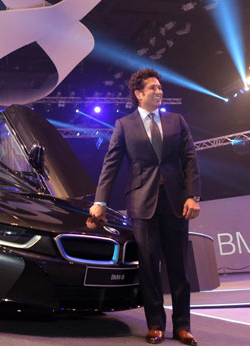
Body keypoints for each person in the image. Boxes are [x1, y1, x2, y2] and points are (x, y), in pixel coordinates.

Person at [90, 68, 201, 345]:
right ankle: (155, 325)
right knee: (149, 267)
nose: (159, 91)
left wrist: (193, 196)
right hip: (141, 202)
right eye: (153, 88)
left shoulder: (176, 121)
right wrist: (100, 201)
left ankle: (183, 326)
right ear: (139, 94)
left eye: (160, 87)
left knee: (178, 267)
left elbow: (190, 159)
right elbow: (111, 164)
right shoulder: (124, 125)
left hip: (176, 202)